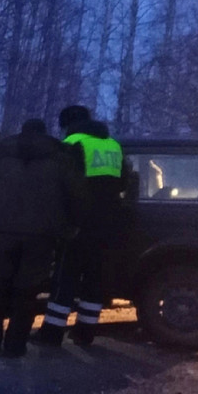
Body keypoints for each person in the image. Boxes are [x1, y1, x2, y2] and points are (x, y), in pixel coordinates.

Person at [0, 119, 82, 357]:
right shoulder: (60, 157)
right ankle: (15, 345)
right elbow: (76, 196)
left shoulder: (3, 153)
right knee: (26, 293)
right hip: (40, 236)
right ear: (44, 134)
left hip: (2, 231)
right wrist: (71, 226)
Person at [36, 105, 130, 346]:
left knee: (65, 276)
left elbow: (63, 187)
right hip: (108, 225)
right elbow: (124, 183)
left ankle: (52, 332)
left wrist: (61, 222)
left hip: (79, 224)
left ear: (68, 124)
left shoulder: (73, 143)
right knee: (94, 278)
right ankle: (85, 331)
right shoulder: (114, 145)